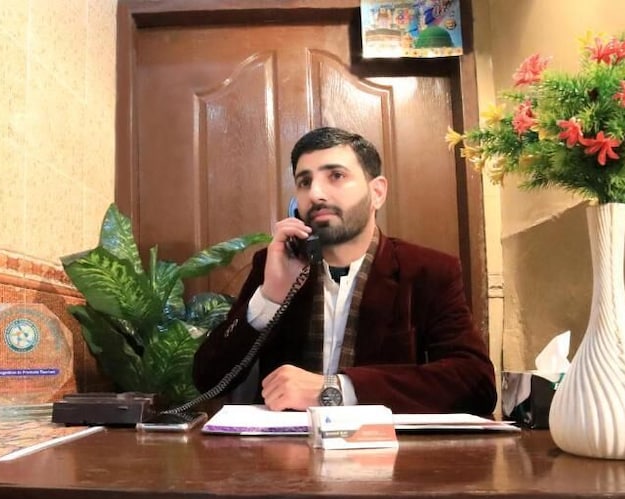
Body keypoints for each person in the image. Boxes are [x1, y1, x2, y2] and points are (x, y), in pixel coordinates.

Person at [192, 126, 497, 416]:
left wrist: (337, 389)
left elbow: (476, 382)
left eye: (336, 176)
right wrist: (269, 298)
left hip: (385, 450)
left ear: (377, 192)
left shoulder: (428, 271)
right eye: (304, 182)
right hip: (284, 449)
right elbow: (208, 379)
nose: (316, 194)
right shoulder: (274, 264)